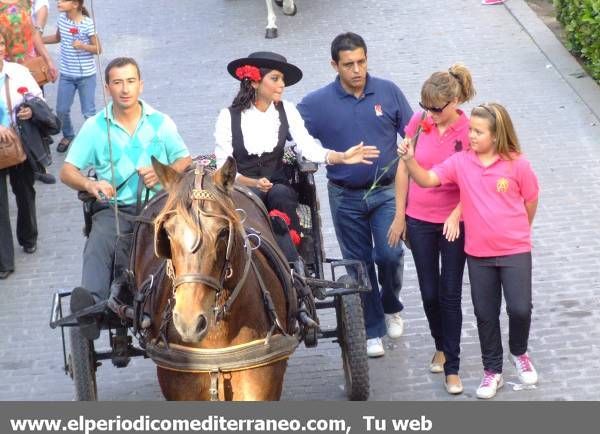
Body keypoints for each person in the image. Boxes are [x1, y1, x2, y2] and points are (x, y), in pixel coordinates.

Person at [398, 102, 540, 399]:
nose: (471, 136)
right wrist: (410, 161)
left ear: (496, 134)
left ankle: (519, 351)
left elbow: (530, 199)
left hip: (515, 249)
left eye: (478, 131)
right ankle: (493, 371)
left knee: (519, 308)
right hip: (479, 253)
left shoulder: (518, 164)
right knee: (485, 314)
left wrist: (519, 231)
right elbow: (428, 180)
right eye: (472, 130)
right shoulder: (461, 162)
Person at [298, 32, 413, 357]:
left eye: (362, 61)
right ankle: (373, 328)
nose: (357, 69)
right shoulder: (317, 104)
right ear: (334, 65)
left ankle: (391, 304)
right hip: (345, 197)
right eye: (349, 64)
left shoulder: (388, 92)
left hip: (387, 192)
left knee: (389, 256)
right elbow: (294, 135)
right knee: (358, 264)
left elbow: (413, 130)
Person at [60, 57, 192, 338]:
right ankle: (93, 308)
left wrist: (163, 173)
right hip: (115, 209)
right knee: (98, 246)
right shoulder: (96, 127)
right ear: (107, 88)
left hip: (159, 205)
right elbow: (67, 171)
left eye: (130, 81)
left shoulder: (160, 122)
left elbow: (184, 159)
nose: (125, 89)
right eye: (118, 82)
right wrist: (90, 183)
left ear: (140, 85)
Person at [214, 51, 379, 263]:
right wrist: (252, 182)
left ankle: (292, 261)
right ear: (254, 82)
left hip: (276, 184)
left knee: (281, 194)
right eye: (275, 79)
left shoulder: (287, 110)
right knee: (252, 197)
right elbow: (223, 167)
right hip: (242, 186)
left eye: (282, 79)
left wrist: (341, 157)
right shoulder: (228, 117)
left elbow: (306, 146)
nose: (282, 84)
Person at [391, 64, 475, 394]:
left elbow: (474, 182)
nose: (431, 115)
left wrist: (457, 213)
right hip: (419, 219)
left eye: (437, 109)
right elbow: (404, 168)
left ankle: (452, 368)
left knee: (449, 293)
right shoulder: (420, 122)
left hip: (454, 222)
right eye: (426, 107)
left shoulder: (469, 131)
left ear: (454, 101)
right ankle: (440, 344)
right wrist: (400, 215)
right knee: (428, 293)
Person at [0, 31, 44, 279]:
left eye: (1, 43)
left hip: (19, 144)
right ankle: (4, 261)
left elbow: (36, 97)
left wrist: (29, 110)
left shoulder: (18, 71)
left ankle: (29, 236)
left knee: (25, 193)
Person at [43, 0, 100, 153]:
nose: (58, 2)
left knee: (88, 112)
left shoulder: (87, 23)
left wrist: (83, 46)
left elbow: (98, 48)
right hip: (67, 75)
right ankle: (68, 135)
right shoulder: (61, 19)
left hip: (86, 76)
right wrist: (37, 41)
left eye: (63, 0)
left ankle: (95, 142)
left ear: (75, 4)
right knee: (61, 110)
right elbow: (57, 38)